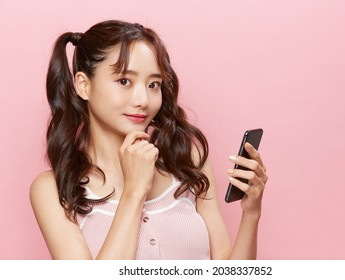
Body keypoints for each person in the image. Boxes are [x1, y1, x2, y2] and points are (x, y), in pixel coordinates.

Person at [30, 20, 268, 260]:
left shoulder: (188, 161)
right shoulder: (53, 189)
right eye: (124, 81)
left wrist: (251, 214)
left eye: (153, 84)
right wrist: (134, 192)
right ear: (84, 85)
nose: (143, 99)